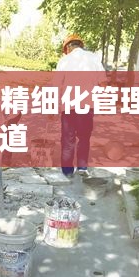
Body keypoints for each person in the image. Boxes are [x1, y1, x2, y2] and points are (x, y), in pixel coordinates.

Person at [56, 34, 106, 178]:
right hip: (87, 107)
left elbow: (56, 86)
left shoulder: (64, 61)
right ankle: (82, 169)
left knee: (68, 140)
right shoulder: (93, 58)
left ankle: (67, 173)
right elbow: (103, 83)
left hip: (69, 107)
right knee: (84, 138)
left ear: (68, 47)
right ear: (80, 45)